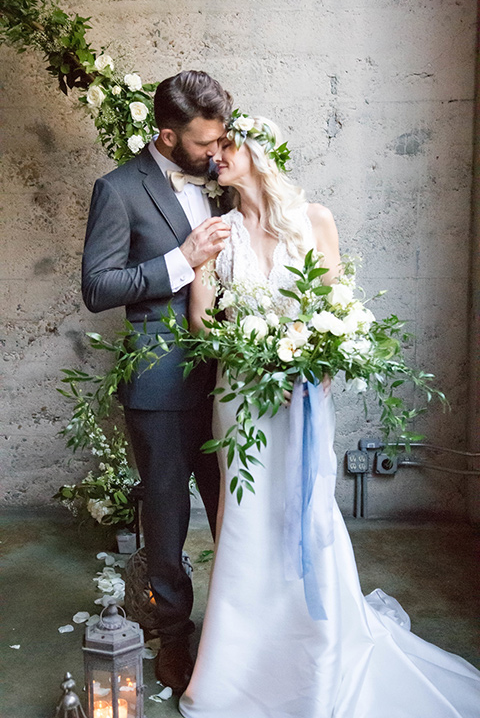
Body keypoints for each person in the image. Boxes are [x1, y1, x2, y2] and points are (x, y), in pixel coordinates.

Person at [179, 115, 480, 717]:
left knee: (306, 512)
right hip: (242, 398)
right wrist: (250, 351)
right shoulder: (218, 230)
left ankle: (318, 649)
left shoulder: (314, 222)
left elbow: (335, 310)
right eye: (211, 153)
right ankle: (239, 666)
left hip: (304, 400)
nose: (217, 158)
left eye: (227, 147)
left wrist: (317, 360)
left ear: (256, 150)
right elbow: (200, 322)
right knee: (245, 520)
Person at [81, 70, 233, 693]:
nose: (214, 154)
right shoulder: (117, 189)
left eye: (220, 139)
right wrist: (181, 260)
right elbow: (97, 287)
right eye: (202, 144)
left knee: (237, 514)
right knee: (168, 521)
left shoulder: (226, 176)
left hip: (232, 383)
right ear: (166, 136)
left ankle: (237, 627)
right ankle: (174, 637)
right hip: (160, 387)